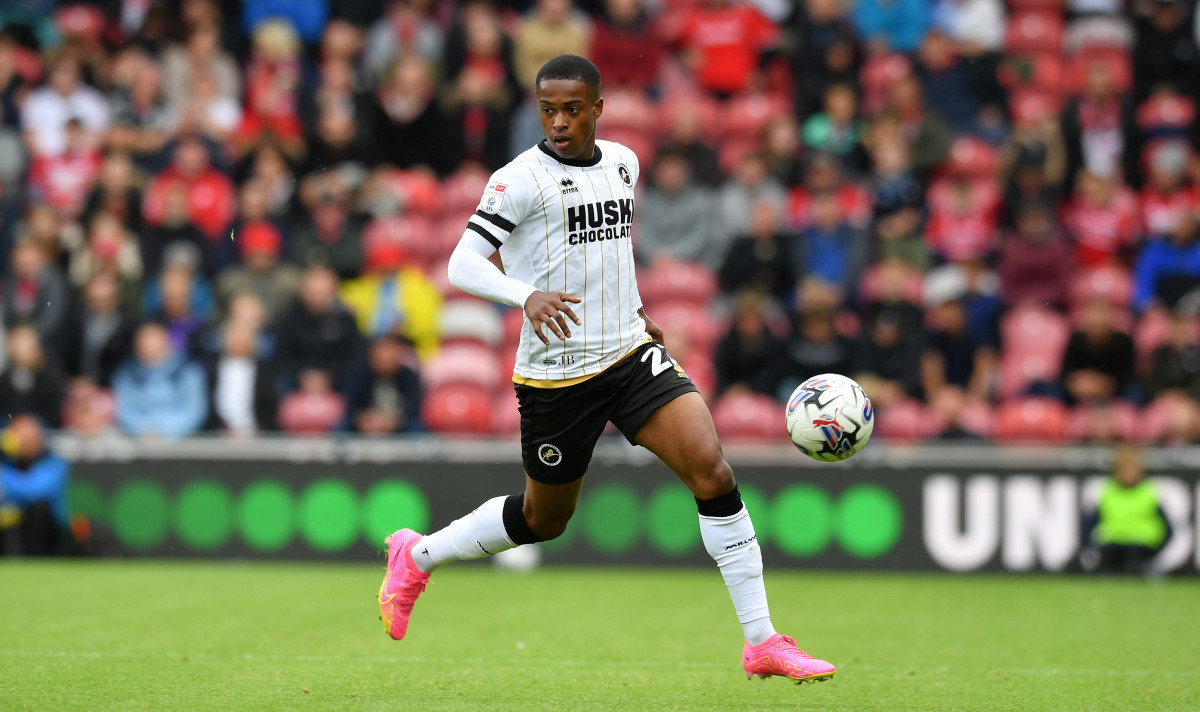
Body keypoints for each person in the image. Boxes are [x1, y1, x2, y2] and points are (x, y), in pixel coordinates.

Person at [378, 55, 836, 685]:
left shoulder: (625, 163)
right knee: (545, 520)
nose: (560, 121)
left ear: (597, 108)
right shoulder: (518, 180)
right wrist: (524, 296)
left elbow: (608, 251)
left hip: (628, 354)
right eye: (548, 110)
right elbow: (461, 264)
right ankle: (418, 554)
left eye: (572, 109)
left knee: (711, 469)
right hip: (557, 375)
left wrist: (636, 311)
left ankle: (761, 641)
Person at [1082, 446, 1172, 575]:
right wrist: (1090, 548)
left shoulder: (1148, 492)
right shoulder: (1108, 492)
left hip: (1140, 546)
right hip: (1112, 545)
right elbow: (1089, 525)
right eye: (1125, 469)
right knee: (1105, 569)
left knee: (1133, 567)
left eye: (1132, 469)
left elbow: (1168, 530)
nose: (1129, 473)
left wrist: (1154, 553)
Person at [0, 415, 70, 556]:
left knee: (38, 508)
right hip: (11, 528)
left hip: (47, 533)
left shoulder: (54, 463)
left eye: (23, 433)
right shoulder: (8, 462)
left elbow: (33, 491)